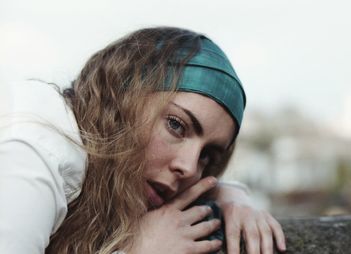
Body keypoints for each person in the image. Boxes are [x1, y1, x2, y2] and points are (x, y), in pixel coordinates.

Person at [0, 27, 285, 254]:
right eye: (176, 125)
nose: (189, 168)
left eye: (207, 156)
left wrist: (232, 198)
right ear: (122, 100)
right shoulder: (34, 152)